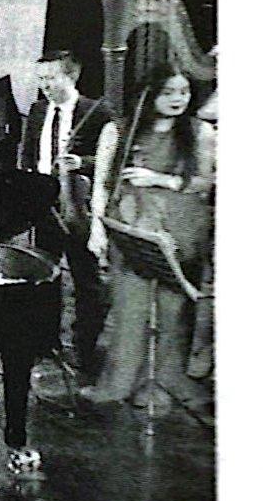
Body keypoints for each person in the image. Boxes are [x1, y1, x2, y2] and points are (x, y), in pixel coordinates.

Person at [84, 64, 216, 405]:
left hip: (183, 230)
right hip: (132, 227)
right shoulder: (118, 130)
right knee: (130, 309)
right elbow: (102, 183)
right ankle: (122, 383)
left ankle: (164, 384)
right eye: (168, 92)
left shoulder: (201, 132)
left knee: (174, 312)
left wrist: (160, 179)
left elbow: (206, 182)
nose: (178, 99)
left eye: (184, 92)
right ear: (149, 94)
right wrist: (97, 227)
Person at [19, 45, 114, 381]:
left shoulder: (96, 111)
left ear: (72, 76)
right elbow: (28, 156)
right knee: (44, 277)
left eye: (51, 77)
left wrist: (82, 163)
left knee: (86, 282)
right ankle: (47, 345)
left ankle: (85, 350)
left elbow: (112, 158)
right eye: (41, 78)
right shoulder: (37, 110)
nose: (45, 84)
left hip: (78, 207)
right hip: (45, 207)